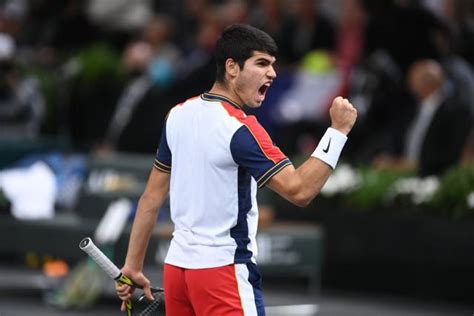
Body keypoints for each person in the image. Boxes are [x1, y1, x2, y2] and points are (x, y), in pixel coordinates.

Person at [115, 24, 357, 316]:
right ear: (231, 67)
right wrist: (338, 132)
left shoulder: (177, 115)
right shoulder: (240, 128)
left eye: (273, 65)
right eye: (262, 63)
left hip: (177, 272)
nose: (272, 73)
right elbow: (300, 190)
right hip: (222, 274)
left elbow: (151, 198)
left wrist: (133, 264)